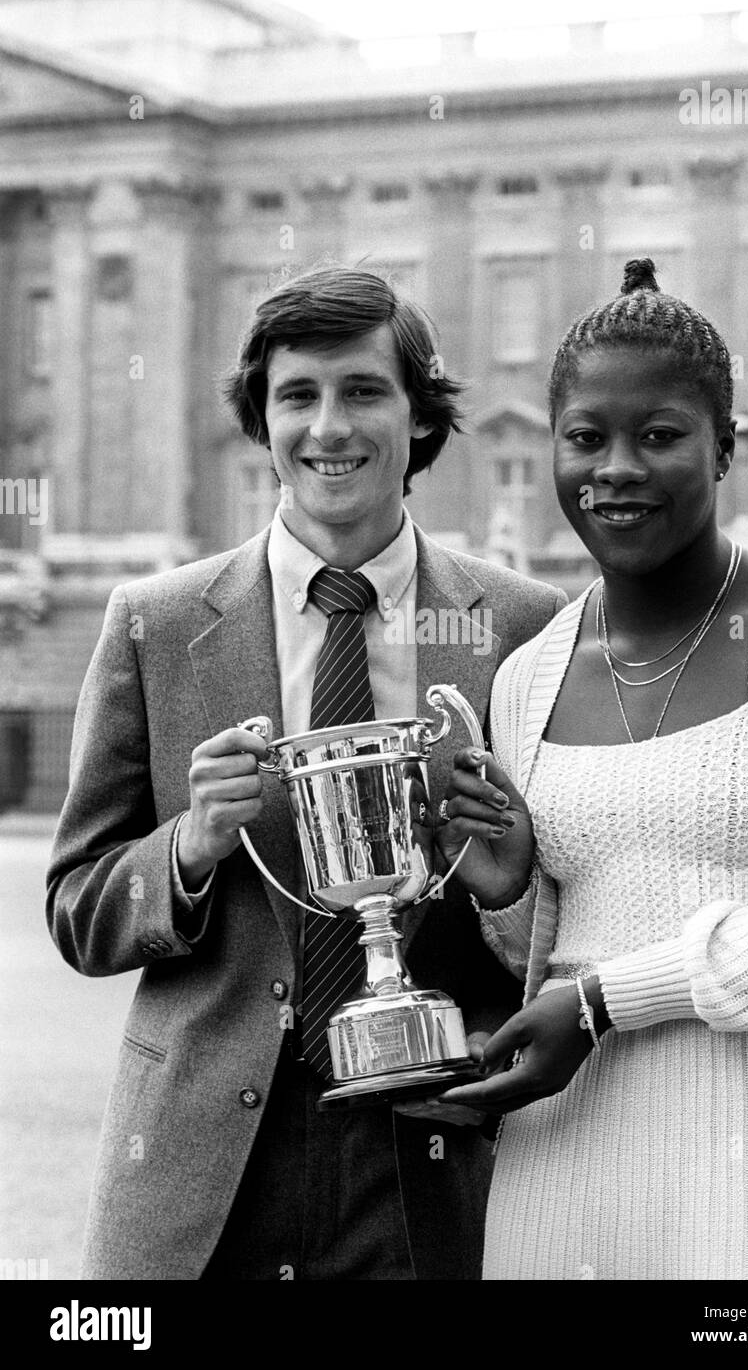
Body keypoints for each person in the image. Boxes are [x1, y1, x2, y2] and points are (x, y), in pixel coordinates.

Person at [46, 265, 565, 1280]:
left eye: (364, 390)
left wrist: (504, 882)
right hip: (205, 1179)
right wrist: (189, 848)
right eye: (298, 396)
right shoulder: (152, 624)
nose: (329, 426)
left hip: (429, 1166)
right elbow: (76, 906)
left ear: (420, 416)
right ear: (262, 419)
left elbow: (573, 917)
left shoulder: (524, 627)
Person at [437, 258, 748, 1280]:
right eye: (586, 437)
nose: (617, 466)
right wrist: (506, 890)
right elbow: (559, 942)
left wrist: (605, 1002)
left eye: (661, 435)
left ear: (725, 447)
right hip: (564, 1167)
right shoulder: (528, 677)